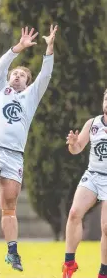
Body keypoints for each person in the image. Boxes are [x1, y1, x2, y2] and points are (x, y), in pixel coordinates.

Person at [0, 25, 58, 271]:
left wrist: (49, 48)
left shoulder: (30, 97)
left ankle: (12, 253)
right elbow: (0, 66)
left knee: (9, 206)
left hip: (14, 156)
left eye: (22, 76)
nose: (17, 76)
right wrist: (18, 48)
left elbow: (45, 76)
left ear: (27, 83)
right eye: (14, 74)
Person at [62, 89, 107, 278]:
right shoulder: (93, 123)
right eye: (106, 98)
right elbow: (77, 148)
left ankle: (104, 271)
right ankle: (69, 262)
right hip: (93, 175)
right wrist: (73, 143)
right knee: (74, 213)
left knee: (106, 227)